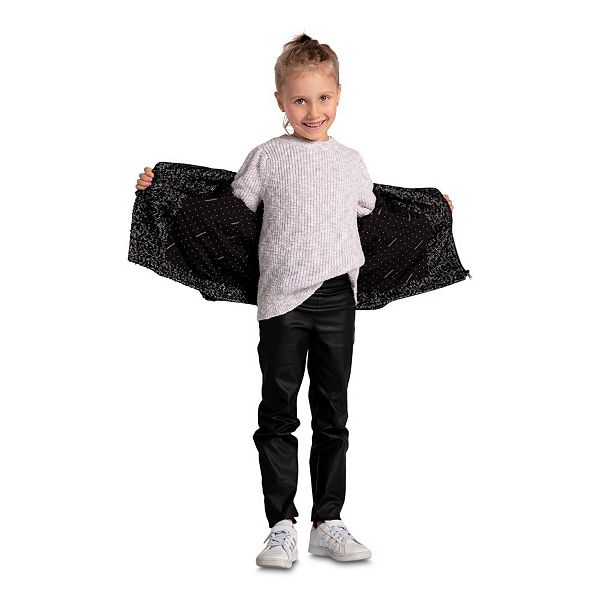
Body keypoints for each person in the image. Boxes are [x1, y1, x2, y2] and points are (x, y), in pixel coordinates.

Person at [134, 32, 454, 569]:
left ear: (339, 95)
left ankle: (328, 523)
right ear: (280, 101)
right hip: (281, 301)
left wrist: (430, 207)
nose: (313, 111)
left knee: (332, 414)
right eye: (300, 100)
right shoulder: (266, 157)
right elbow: (223, 208)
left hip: (337, 299)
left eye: (323, 98)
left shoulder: (350, 161)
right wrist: (161, 189)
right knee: (278, 413)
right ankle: (280, 525)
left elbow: (380, 212)